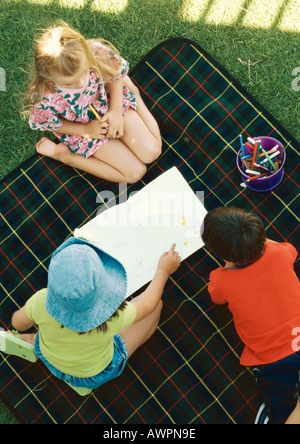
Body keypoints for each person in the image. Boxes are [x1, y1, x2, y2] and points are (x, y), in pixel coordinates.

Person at [5, 238, 180, 390]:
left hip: (50, 357)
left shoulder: (40, 300)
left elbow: (17, 323)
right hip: (92, 375)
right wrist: (162, 271)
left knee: (48, 333)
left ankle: (31, 339)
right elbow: (147, 304)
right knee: (157, 308)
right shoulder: (112, 318)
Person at [26, 22, 162, 183]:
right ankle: (66, 156)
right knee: (135, 173)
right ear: (48, 80)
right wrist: (86, 130)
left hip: (110, 103)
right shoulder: (44, 95)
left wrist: (116, 110)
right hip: (84, 129)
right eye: (69, 84)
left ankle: (135, 94)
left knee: (152, 152)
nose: (80, 83)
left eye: (84, 73)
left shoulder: (94, 52)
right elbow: (48, 123)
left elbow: (115, 74)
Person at [201, 206, 300, 424]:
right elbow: (291, 251)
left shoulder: (221, 280)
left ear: (222, 254)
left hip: (272, 358)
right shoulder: (280, 252)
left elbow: (215, 297)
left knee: (282, 403)